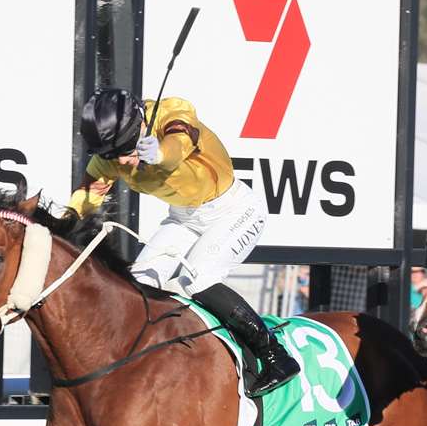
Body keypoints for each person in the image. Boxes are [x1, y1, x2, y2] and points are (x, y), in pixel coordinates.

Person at [68, 88, 299, 397]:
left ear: (138, 124)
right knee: (139, 285)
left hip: (234, 210)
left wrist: (160, 153)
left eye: (125, 148)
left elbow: (179, 142)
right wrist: (62, 222)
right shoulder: (111, 158)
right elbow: (86, 198)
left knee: (197, 279)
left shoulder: (172, 111)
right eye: (112, 155)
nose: (122, 160)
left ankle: (274, 354)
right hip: (184, 218)